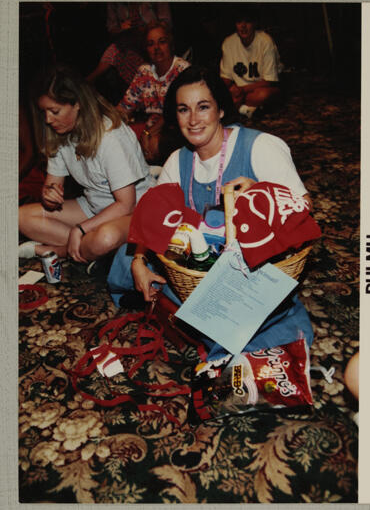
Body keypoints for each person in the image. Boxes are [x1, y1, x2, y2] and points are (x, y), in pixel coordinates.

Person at [108, 66, 313, 359]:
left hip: (247, 271)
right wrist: (140, 260)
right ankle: (161, 300)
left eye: (203, 107)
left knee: (244, 326)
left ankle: (193, 320)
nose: (193, 120)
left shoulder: (260, 147)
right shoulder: (177, 160)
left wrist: (261, 192)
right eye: (183, 110)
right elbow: (153, 218)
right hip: (195, 269)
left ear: (220, 110)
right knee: (127, 256)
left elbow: (305, 206)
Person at [19, 64, 155, 265]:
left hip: (135, 210)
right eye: (44, 112)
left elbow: (126, 204)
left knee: (104, 238)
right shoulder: (59, 134)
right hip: (94, 206)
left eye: (55, 111)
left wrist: (81, 228)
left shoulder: (111, 136)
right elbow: (52, 190)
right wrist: (49, 197)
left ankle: (58, 250)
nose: (48, 119)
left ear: (77, 104)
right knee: (21, 216)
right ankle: (89, 251)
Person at [117, 20, 190, 164]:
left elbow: (176, 112)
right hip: (151, 128)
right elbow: (124, 107)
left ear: (170, 44)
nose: (156, 48)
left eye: (162, 42)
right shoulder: (144, 71)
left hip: (178, 127)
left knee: (155, 145)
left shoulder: (183, 70)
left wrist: (148, 133)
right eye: (151, 44)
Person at [220, 6, 281, 119]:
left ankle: (239, 107)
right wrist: (226, 91)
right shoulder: (228, 43)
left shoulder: (266, 42)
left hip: (261, 87)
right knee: (221, 95)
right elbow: (226, 78)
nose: (243, 26)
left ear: (254, 24)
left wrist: (242, 91)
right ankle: (247, 109)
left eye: (247, 22)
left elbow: (269, 81)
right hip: (240, 90)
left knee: (263, 95)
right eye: (239, 22)